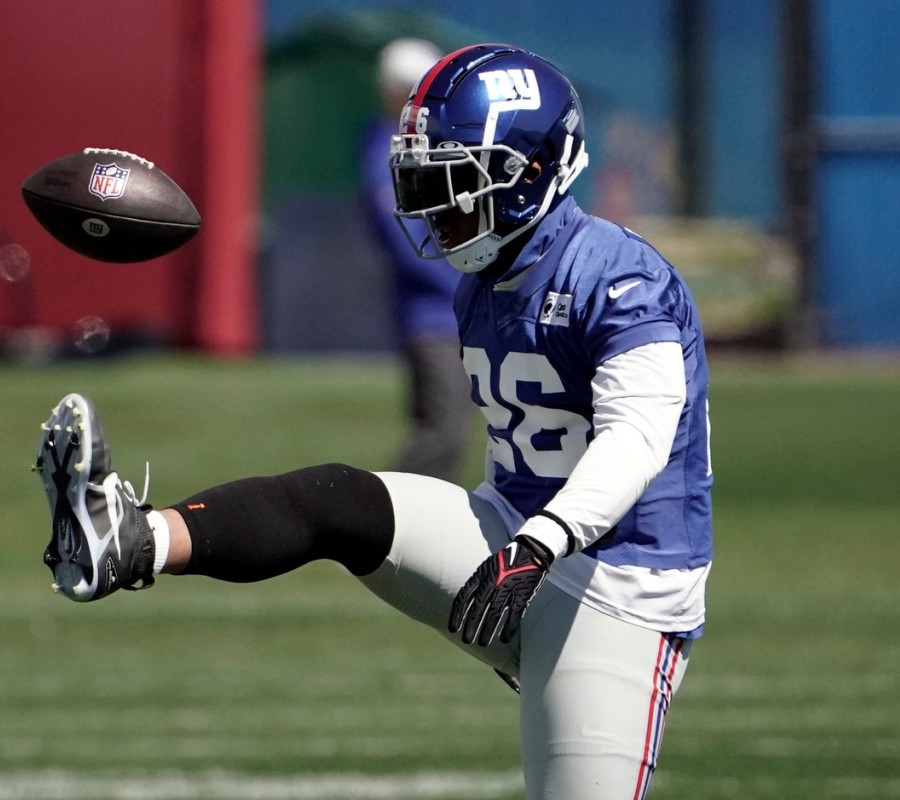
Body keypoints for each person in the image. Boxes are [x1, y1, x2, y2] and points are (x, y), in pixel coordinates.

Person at [36, 43, 712, 800]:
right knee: (339, 502)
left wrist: (540, 541)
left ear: (528, 174)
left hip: (617, 587)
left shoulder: (621, 277)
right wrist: (520, 538)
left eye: (456, 182)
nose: (434, 209)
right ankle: (128, 540)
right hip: (509, 538)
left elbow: (638, 440)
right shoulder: (485, 282)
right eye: (425, 182)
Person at [361, 37, 472, 482]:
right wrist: (465, 282)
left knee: (453, 435)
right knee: (441, 434)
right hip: (432, 317)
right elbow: (404, 239)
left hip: (454, 310)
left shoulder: (435, 146)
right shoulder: (382, 151)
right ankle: (382, 522)